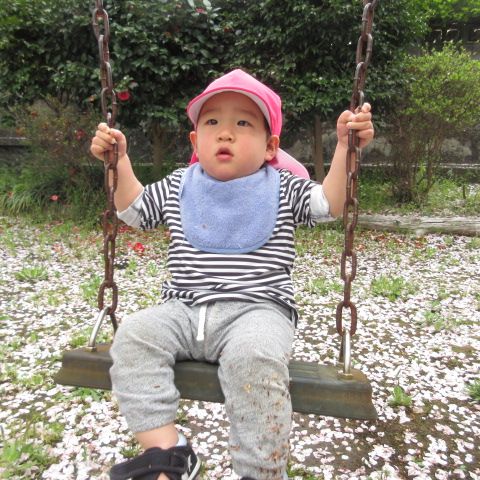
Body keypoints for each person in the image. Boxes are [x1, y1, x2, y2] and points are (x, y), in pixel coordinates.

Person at [90, 69, 374, 480]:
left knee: (254, 358)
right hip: (183, 309)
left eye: (243, 123)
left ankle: (260, 471)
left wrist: (346, 149)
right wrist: (119, 163)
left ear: (270, 145)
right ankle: (167, 452)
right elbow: (134, 210)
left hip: (257, 312)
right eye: (212, 122)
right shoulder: (179, 185)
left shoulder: (282, 187)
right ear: (195, 141)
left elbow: (329, 204)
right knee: (134, 334)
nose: (225, 133)